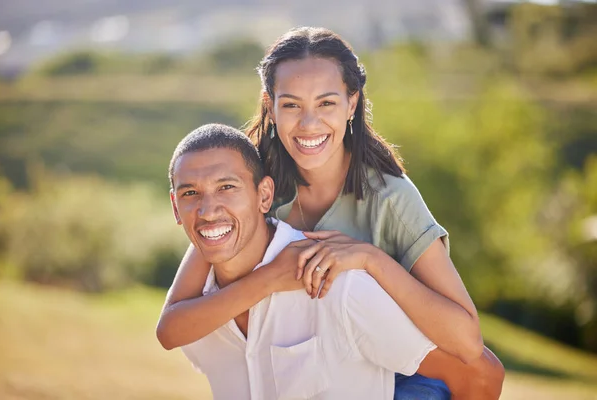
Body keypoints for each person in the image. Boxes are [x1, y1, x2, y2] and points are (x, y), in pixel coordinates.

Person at [157, 27, 505, 399]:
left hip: (405, 375)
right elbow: (174, 322)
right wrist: (273, 277)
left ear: (352, 103)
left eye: (326, 103)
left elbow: (469, 344)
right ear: (270, 105)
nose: (309, 124)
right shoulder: (248, 183)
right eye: (291, 105)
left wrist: (369, 259)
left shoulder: (390, 197)